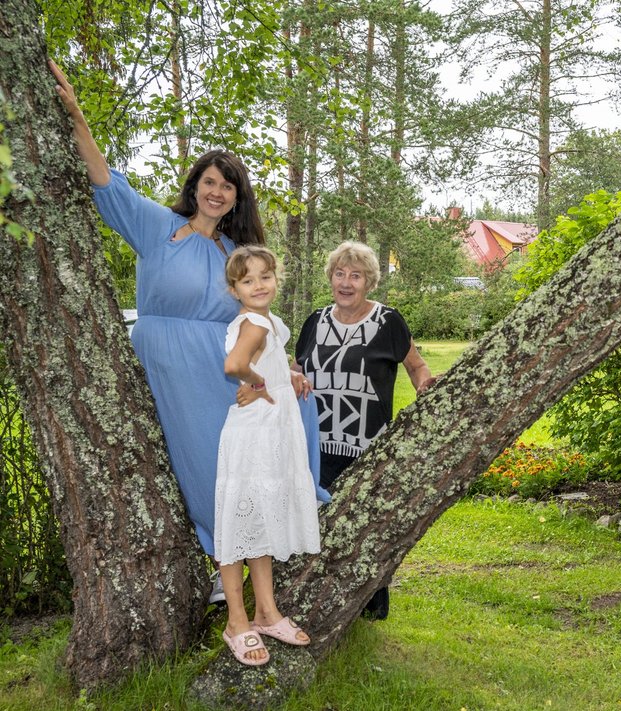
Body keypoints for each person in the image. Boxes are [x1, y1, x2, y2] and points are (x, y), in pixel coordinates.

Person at [51, 61, 328, 603]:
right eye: (209, 182)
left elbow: (254, 318)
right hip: (172, 360)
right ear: (195, 186)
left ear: (236, 197)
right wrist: (77, 116)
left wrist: (285, 368)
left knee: (290, 412)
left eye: (227, 186)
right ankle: (223, 550)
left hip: (223, 364)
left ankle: (277, 530)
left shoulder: (234, 253)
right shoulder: (157, 227)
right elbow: (106, 180)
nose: (217, 192)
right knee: (204, 457)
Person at [293, 241, 435, 620]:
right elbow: (296, 370)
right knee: (317, 526)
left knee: (369, 530)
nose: (346, 282)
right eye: (339, 273)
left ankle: (370, 609)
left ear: (369, 282)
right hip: (316, 447)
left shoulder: (387, 323)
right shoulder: (314, 323)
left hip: (368, 447)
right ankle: (317, 604)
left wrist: (424, 384)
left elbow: (417, 366)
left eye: (355, 275)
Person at [215, 246, 321, 666]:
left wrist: (286, 376)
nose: (259, 285)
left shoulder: (268, 322)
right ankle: (236, 621)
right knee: (237, 524)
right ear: (234, 288)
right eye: (248, 280)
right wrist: (257, 383)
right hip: (254, 436)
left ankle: (266, 612)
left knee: (258, 522)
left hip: (269, 432)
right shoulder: (255, 322)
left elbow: (265, 361)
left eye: (265, 276)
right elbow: (234, 365)